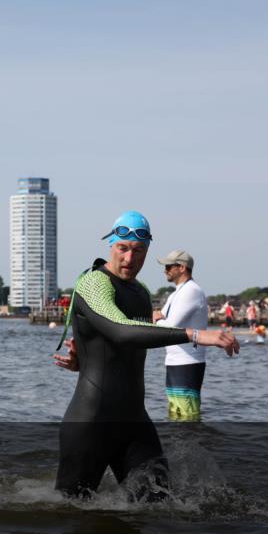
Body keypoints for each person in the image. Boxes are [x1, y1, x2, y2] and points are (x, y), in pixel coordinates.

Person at [52, 211, 238, 500]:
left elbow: (127, 343)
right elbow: (120, 331)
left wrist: (83, 361)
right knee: (70, 513)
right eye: (122, 248)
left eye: (138, 251)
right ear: (111, 245)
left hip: (134, 421)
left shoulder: (140, 291)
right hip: (91, 422)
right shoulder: (93, 283)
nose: (129, 258)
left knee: (160, 506)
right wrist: (195, 335)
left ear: (147, 251)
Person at [151, 250, 208, 421]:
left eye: (169, 266)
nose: (165, 270)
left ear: (182, 267)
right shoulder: (176, 293)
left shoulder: (191, 291)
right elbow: (160, 320)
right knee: (175, 413)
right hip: (174, 361)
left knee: (187, 415)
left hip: (188, 361)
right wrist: (158, 319)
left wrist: (157, 320)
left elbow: (169, 327)